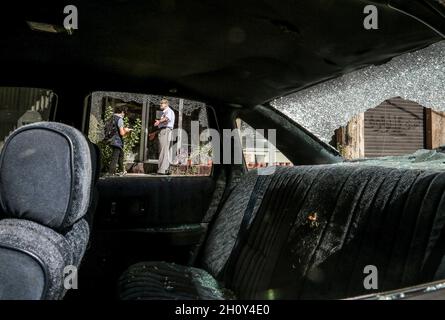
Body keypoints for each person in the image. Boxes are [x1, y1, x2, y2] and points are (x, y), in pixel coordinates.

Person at [108, 106, 132, 175]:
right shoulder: (119, 119)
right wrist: (127, 130)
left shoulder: (111, 118)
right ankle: (111, 173)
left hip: (111, 139)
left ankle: (121, 170)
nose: (124, 115)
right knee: (115, 157)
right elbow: (122, 133)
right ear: (122, 112)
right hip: (117, 141)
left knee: (121, 155)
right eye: (124, 113)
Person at [154, 98, 175, 175]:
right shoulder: (164, 112)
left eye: (161, 103)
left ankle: (163, 170)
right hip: (163, 130)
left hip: (166, 130)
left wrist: (159, 121)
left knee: (164, 150)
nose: (160, 105)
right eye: (160, 103)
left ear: (166, 104)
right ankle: (163, 169)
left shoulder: (168, 111)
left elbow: (167, 119)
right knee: (163, 149)